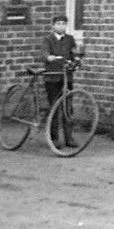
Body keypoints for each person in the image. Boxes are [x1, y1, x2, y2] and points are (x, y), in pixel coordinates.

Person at [40, 14, 78, 148]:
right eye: (58, 24)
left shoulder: (70, 39)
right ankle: (54, 138)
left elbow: (74, 53)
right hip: (52, 77)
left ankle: (69, 138)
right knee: (54, 108)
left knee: (68, 108)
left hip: (66, 77)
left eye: (63, 24)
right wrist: (48, 57)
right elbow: (44, 53)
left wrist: (76, 60)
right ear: (53, 26)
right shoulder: (48, 39)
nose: (61, 26)